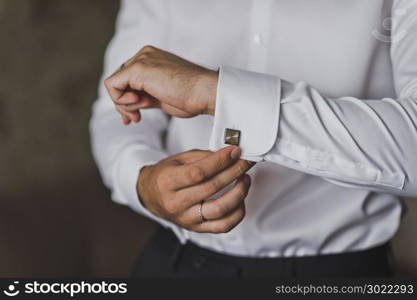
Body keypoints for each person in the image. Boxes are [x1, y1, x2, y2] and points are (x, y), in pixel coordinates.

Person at [90, 0, 417, 278]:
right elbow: (118, 108)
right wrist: (141, 180)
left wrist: (216, 94)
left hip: (337, 273)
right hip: (174, 261)